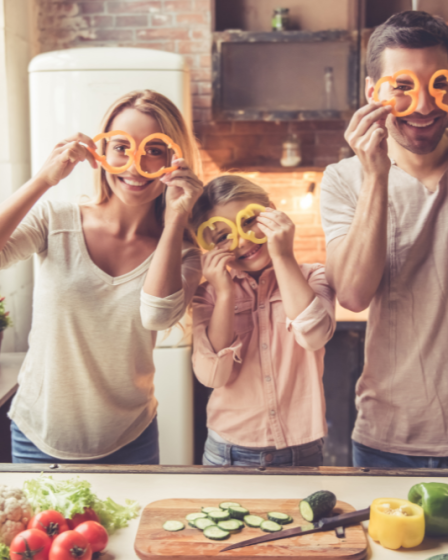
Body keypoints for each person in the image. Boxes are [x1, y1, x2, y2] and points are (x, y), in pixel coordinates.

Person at [3, 89, 203, 464]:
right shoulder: (55, 218)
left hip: (130, 440)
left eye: (154, 150)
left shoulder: (185, 252)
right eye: (122, 147)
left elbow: (157, 317)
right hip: (37, 436)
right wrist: (43, 180)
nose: (135, 165)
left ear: (174, 160)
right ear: (101, 152)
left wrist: (176, 217)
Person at [320, 11, 448, 468]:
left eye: (439, 85)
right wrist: (376, 176)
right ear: (373, 93)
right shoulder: (343, 179)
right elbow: (352, 295)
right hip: (390, 440)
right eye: (403, 87)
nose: (423, 106)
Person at [191, 175, 335, 467]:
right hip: (227, 452)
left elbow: (314, 336)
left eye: (248, 221)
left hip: (302, 451)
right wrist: (224, 292)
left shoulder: (315, 276)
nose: (242, 241)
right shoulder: (206, 295)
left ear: (271, 211)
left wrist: (282, 255)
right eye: (223, 236)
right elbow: (213, 376)